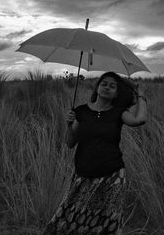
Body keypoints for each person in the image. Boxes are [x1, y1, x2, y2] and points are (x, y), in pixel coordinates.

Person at [43, 71, 148, 235]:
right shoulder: (82, 111)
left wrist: (141, 96)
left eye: (112, 86)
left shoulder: (119, 113)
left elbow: (139, 120)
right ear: (97, 87)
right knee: (70, 218)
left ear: (116, 93)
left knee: (107, 223)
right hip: (83, 173)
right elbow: (70, 143)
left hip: (112, 175)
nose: (107, 87)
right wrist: (69, 125)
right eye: (104, 83)